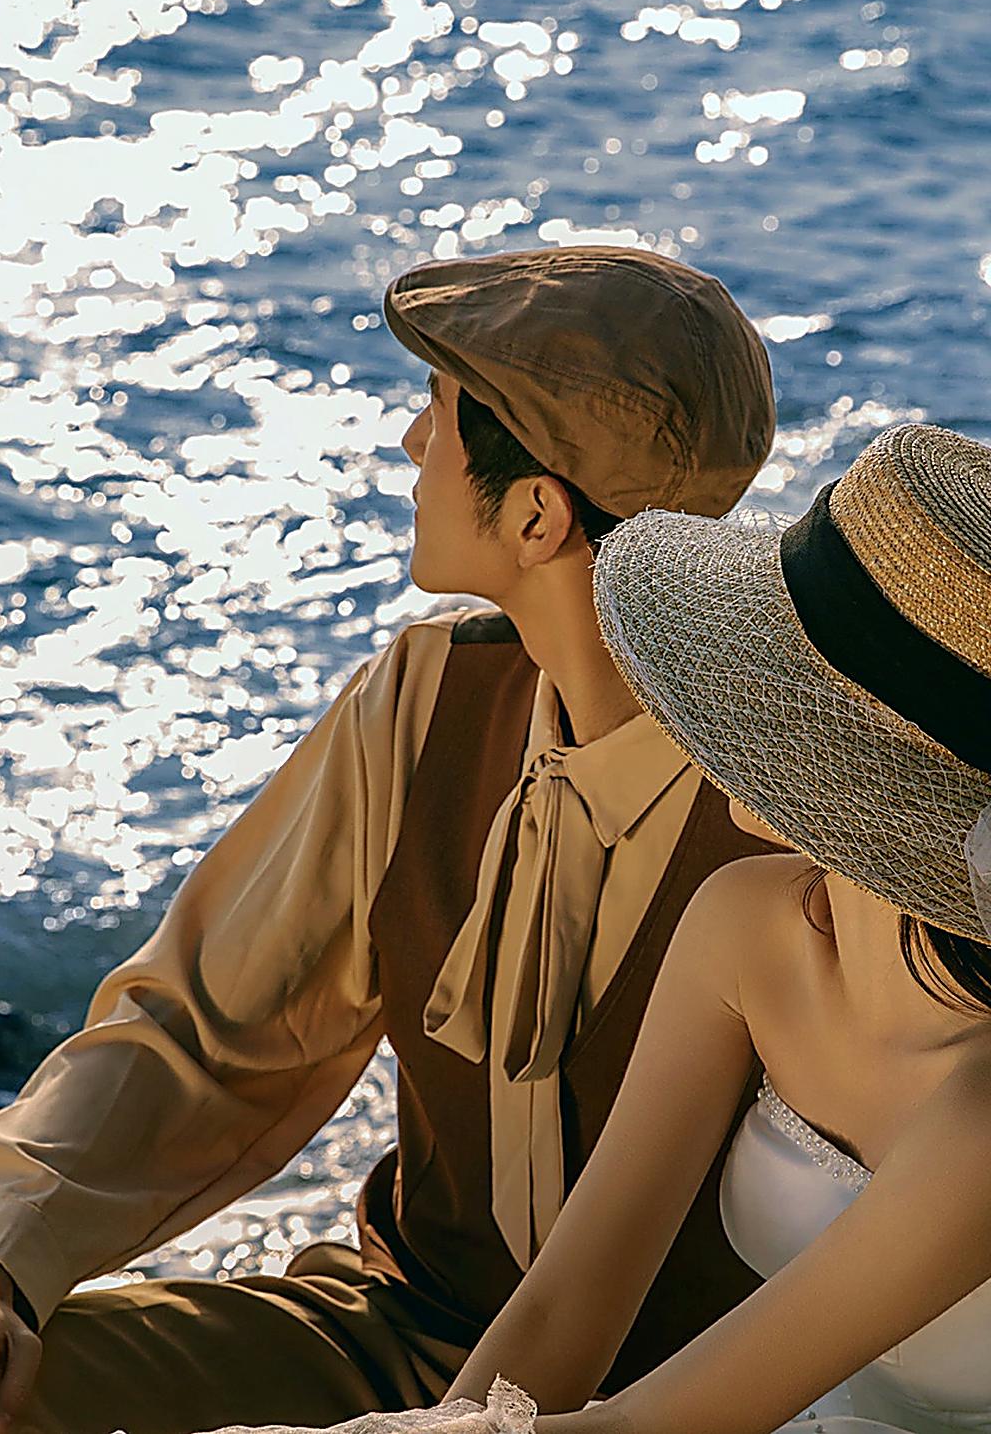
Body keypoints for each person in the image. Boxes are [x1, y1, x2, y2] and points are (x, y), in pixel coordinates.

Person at [0, 246, 777, 1434]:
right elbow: (200, 1028)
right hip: (402, 1333)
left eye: (437, 412)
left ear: (535, 513)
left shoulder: (784, 799)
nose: (411, 443)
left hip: (689, 1397)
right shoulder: (421, 701)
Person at [423, 420, 991, 1434]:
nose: (736, 697)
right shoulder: (743, 926)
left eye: (782, 679)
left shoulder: (983, 1107)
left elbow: (645, 1430)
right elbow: (560, 1310)